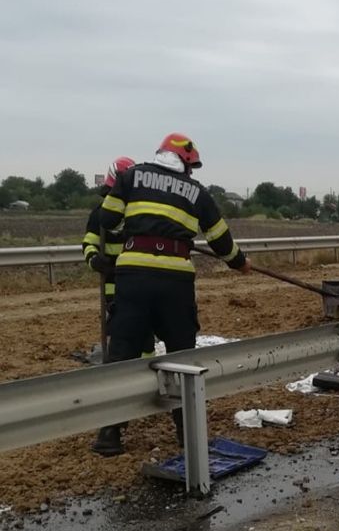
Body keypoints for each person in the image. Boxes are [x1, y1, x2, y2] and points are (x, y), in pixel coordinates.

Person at [91, 133, 251, 456]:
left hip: (133, 277)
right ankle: (187, 435)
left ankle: (109, 435)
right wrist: (240, 263)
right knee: (183, 358)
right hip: (175, 282)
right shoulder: (198, 193)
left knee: (122, 354)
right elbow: (221, 240)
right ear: (186, 164)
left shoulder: (130, 177)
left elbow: (107, 217)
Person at [82, 157, 157, 366]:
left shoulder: (139, 212)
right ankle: (119, 373)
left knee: (145, 334)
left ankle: (146, 371)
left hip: (140, 280)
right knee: (122, 332)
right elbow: (89, 242)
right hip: (113, 284)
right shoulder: (100, 214)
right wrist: (94, 260)